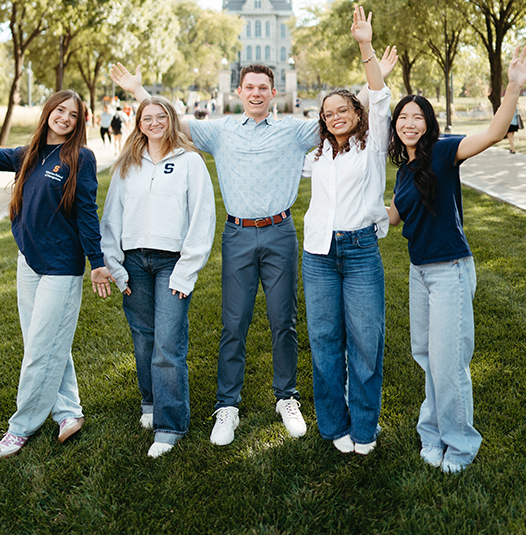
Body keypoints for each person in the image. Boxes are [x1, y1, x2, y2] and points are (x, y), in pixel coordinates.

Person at [109, 50, 395, 447]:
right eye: (250, 88)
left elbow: (343, 115)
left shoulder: (295, 132)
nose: (257, 93)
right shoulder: (220, 130)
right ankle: (227, 406)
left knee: (285, 322)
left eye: (264, 87)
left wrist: (374, 78)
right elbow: (171, 120)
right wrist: (137, 89)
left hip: (280, 232)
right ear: (239, 91)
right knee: (234, 324)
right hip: (238, 234)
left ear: (273, 92)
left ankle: (287, 397)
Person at [387, 46, 526, 473]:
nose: (410, 123)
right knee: (427, 357)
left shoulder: (443, 152)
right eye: (403, 118)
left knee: (450, 362)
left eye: (417, 117)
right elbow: (395, 216)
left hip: (450, 269)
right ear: (396, 128)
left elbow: (491, 133)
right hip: (420, 273)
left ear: (428, 124)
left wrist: (512, 88)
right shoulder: (403, 171)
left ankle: (461, 445)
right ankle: (432, 435)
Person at [0, 89, 114, 459]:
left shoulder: (80, 159)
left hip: (61, 267)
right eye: (60, 111)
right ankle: (69, 412)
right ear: (48, 112)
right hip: (30, 263)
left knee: (41, 348)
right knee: (45, 343)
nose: (65, 118)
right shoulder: (30, 154)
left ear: (79, 121)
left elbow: (87, 212)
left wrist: (96, 261)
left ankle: (21, 427)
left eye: (73, 114)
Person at [301, 6, 396, 456]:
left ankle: (364, 426)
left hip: (359, 253)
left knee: (365, 342)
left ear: (356, 113)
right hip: (318, 256)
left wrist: (365, 44)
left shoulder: (373, 141)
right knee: (324, 343)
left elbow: (378, 94)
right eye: (329, 112)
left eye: (343, 109)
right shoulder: (318, 154)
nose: (336, 116)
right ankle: (332, 424)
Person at [100, 96, 215, 458]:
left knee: (167, 343)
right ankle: (150, 403)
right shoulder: (127, 165)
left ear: (171, 120)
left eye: (160, 116)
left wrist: (186, 271)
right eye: (147, 118)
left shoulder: (190, 162)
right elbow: (111, 218)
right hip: (133, 262)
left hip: (171, 263)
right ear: (138, 123)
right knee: (143, 339)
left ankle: (170, 425)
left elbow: (202, 218)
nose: (154, 123)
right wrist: (115, 265)